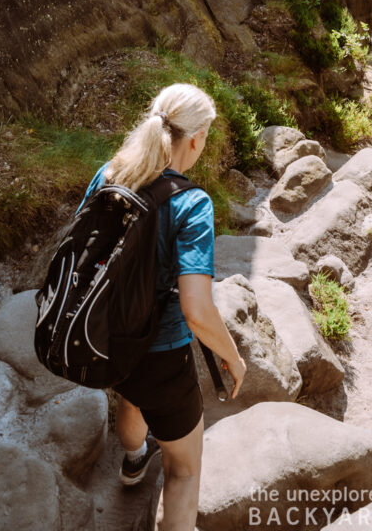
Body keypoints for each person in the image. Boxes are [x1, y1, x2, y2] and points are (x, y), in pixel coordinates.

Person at [78, 82, 247, 531]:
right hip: (162, 354)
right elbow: (196, 308)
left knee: (130, 399)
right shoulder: (192, 203)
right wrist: (232, 356)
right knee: (184, 469)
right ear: (195, 138)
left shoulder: (108, 173)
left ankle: (133, 460)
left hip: (108, 338)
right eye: (206, 136)